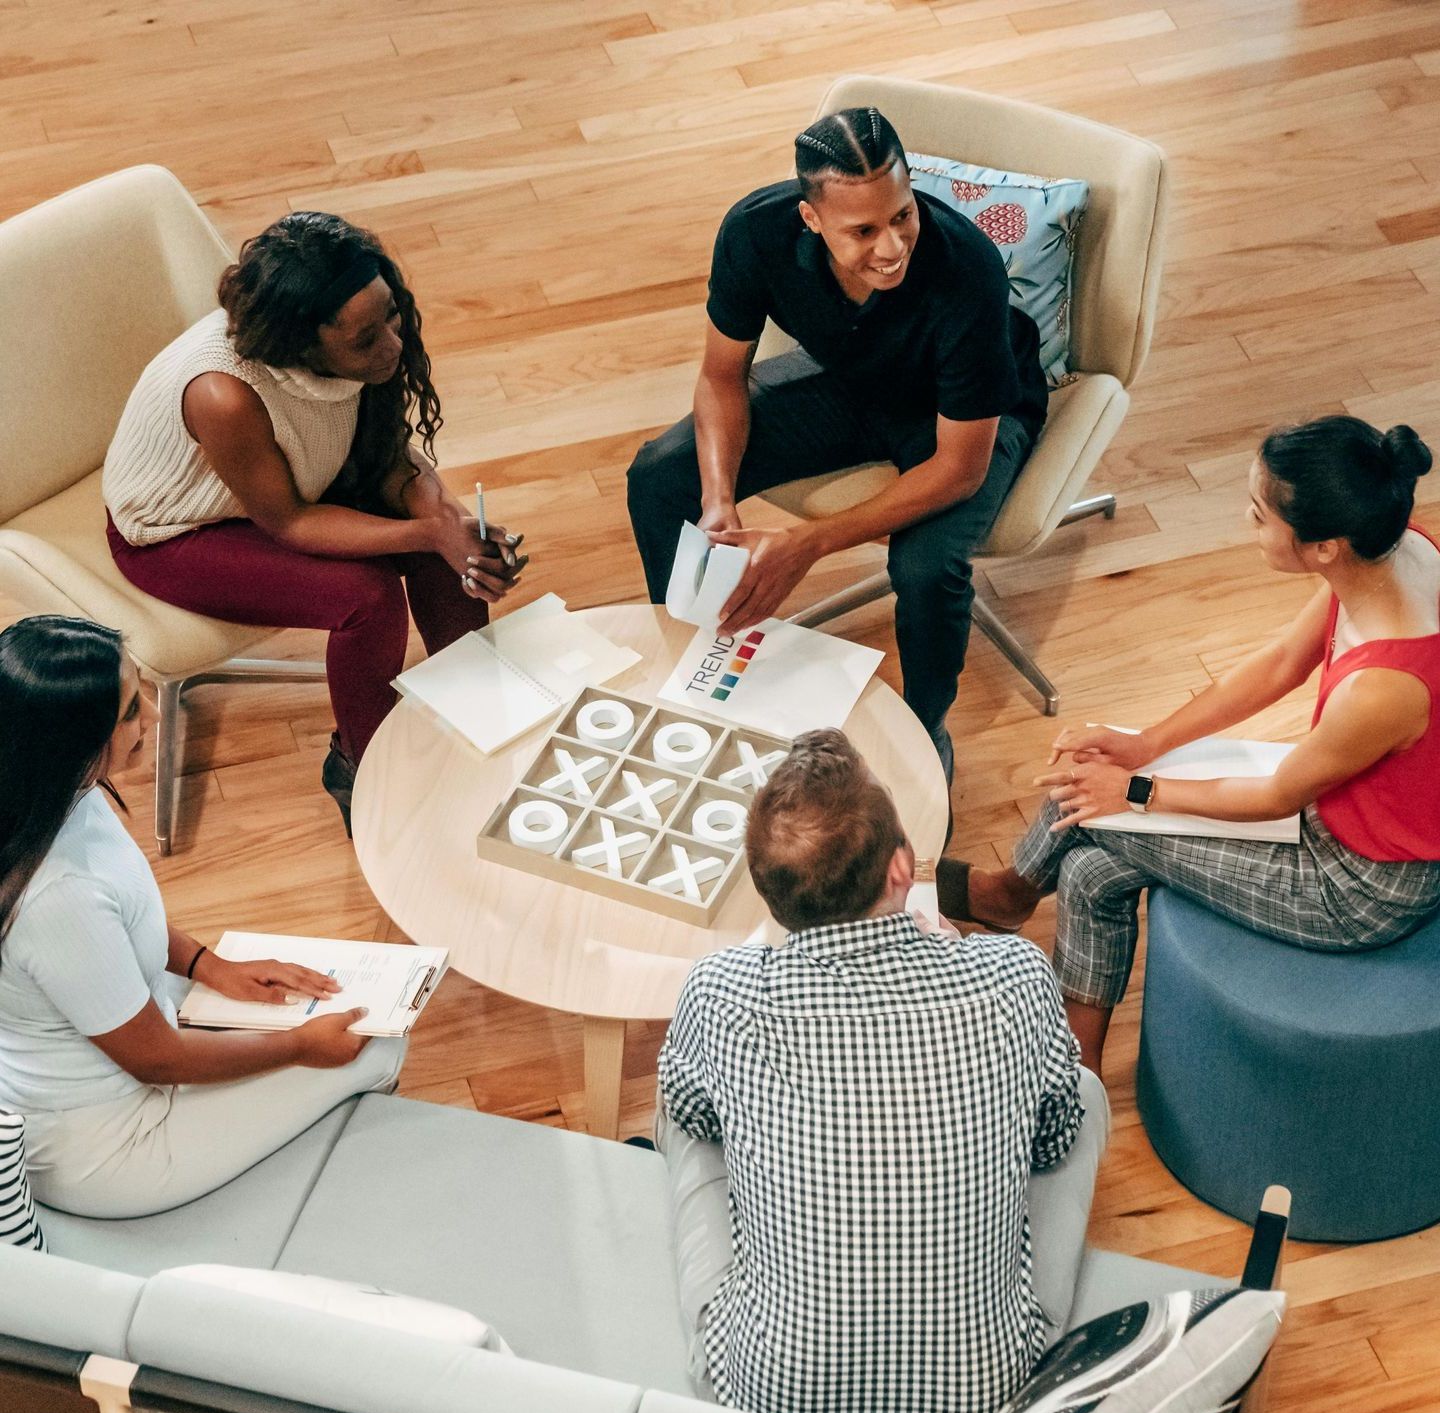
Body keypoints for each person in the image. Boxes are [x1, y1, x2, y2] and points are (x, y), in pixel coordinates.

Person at [949, 416, 1440, 1072]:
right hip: (1340, 810)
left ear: (1324, 546)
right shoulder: (1397, 550)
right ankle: (1079, 1067)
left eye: (1260, 514)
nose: (1246, 519)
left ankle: (1011, 894)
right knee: (1091, 871)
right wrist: (1144, 743)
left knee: (1092, 799)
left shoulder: (1386, 687)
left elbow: (1275, 795)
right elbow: (1277, 666)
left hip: (1356, 887)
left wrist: (1134, 787)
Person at [656, 729, 1108, 1413]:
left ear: (769, 894)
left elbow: (693, 1114)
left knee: (680, 1108)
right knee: (1082, 1094)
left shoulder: (719, 993)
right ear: (903, 870)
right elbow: (1051, 1141)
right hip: (982, 1396)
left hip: (768, 1397)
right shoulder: (1013, 975)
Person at [627, 108, 1048, 781]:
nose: (892, 247)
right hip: (853, 381)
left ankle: (925, 730)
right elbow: (719, 377)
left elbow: (959, 470)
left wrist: (810, 544)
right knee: (657, 474)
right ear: (811, 219)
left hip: (959, 418)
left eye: (903, 215)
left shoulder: (967, 269)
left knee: (926, 569)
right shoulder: (753, 231)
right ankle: (694, 663)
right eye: (863, 230)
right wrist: (717, 501)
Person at [103, 211, 528, 832]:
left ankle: (478, 705)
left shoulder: (362, 345)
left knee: (444, 539)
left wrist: (453, 525)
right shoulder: (225, 394)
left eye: (393, 313)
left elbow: (381, 457)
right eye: (365, 339)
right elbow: (290, 521)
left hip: (295, 484)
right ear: (301, 344)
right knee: (366, 597)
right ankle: (363, 765)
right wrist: (427, 529)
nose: (393, 343)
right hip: (178, 530)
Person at [0, 615, 406, 1219]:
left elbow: (123, 920)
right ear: (72, 742)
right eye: (131, 712)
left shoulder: (53, 794)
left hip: (136, 1036)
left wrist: (208, 965)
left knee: (344, 1023)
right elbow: (156, 1059)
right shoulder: (57, 898)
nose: (155, 717)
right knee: (379, 1050)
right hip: (112, 1141)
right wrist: (297, 1048)